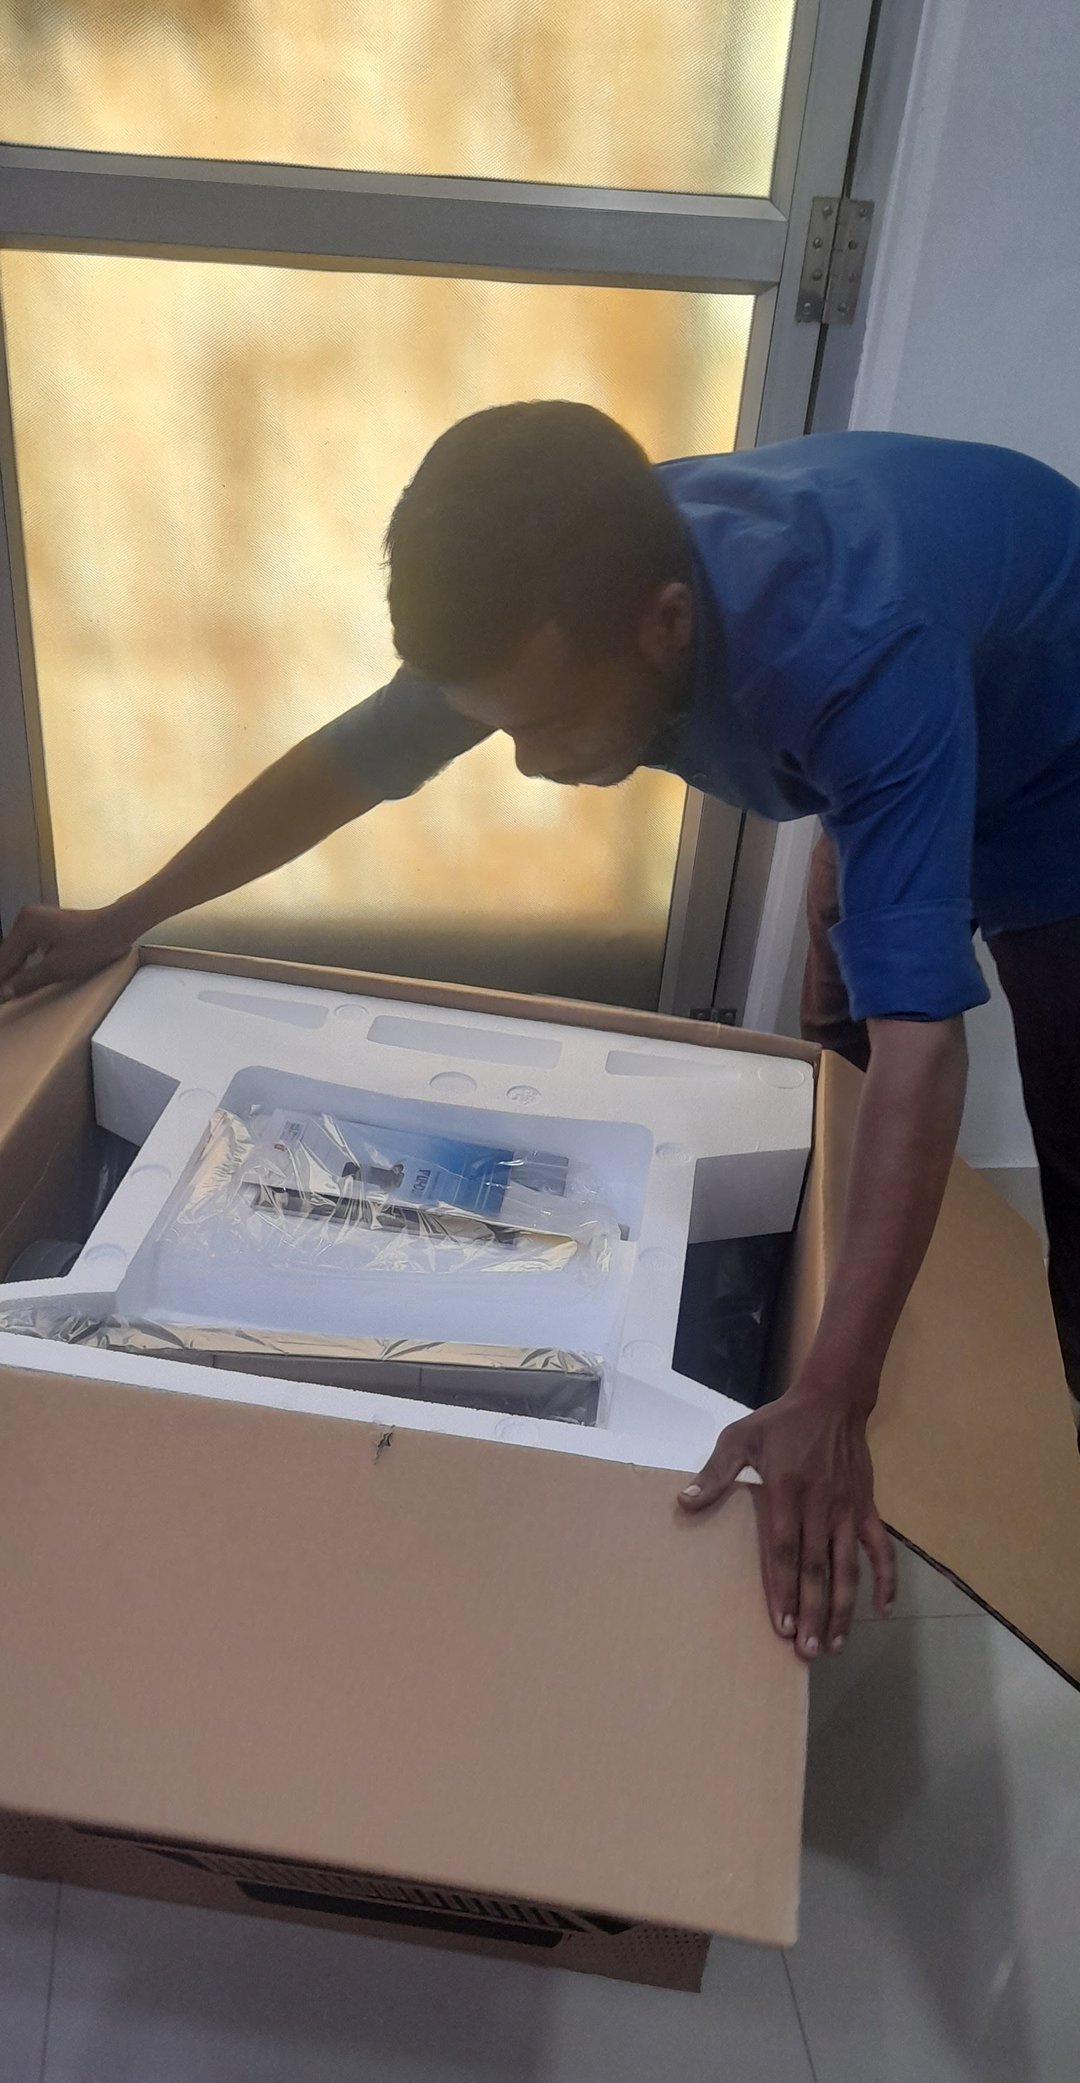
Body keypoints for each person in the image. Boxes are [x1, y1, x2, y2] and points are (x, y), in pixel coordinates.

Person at [3, 401, 1079, 1659]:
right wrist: (123, 917)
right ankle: (850, 1270)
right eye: (496, 722)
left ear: (664, 624)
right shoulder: (557, 583)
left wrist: (838, 1397)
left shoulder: (851, 659)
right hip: (915, 669)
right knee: (842, 1008)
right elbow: (350, 765)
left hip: (1057, 739)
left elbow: (927, 1049)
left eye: (548, 722)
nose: (520, 764)